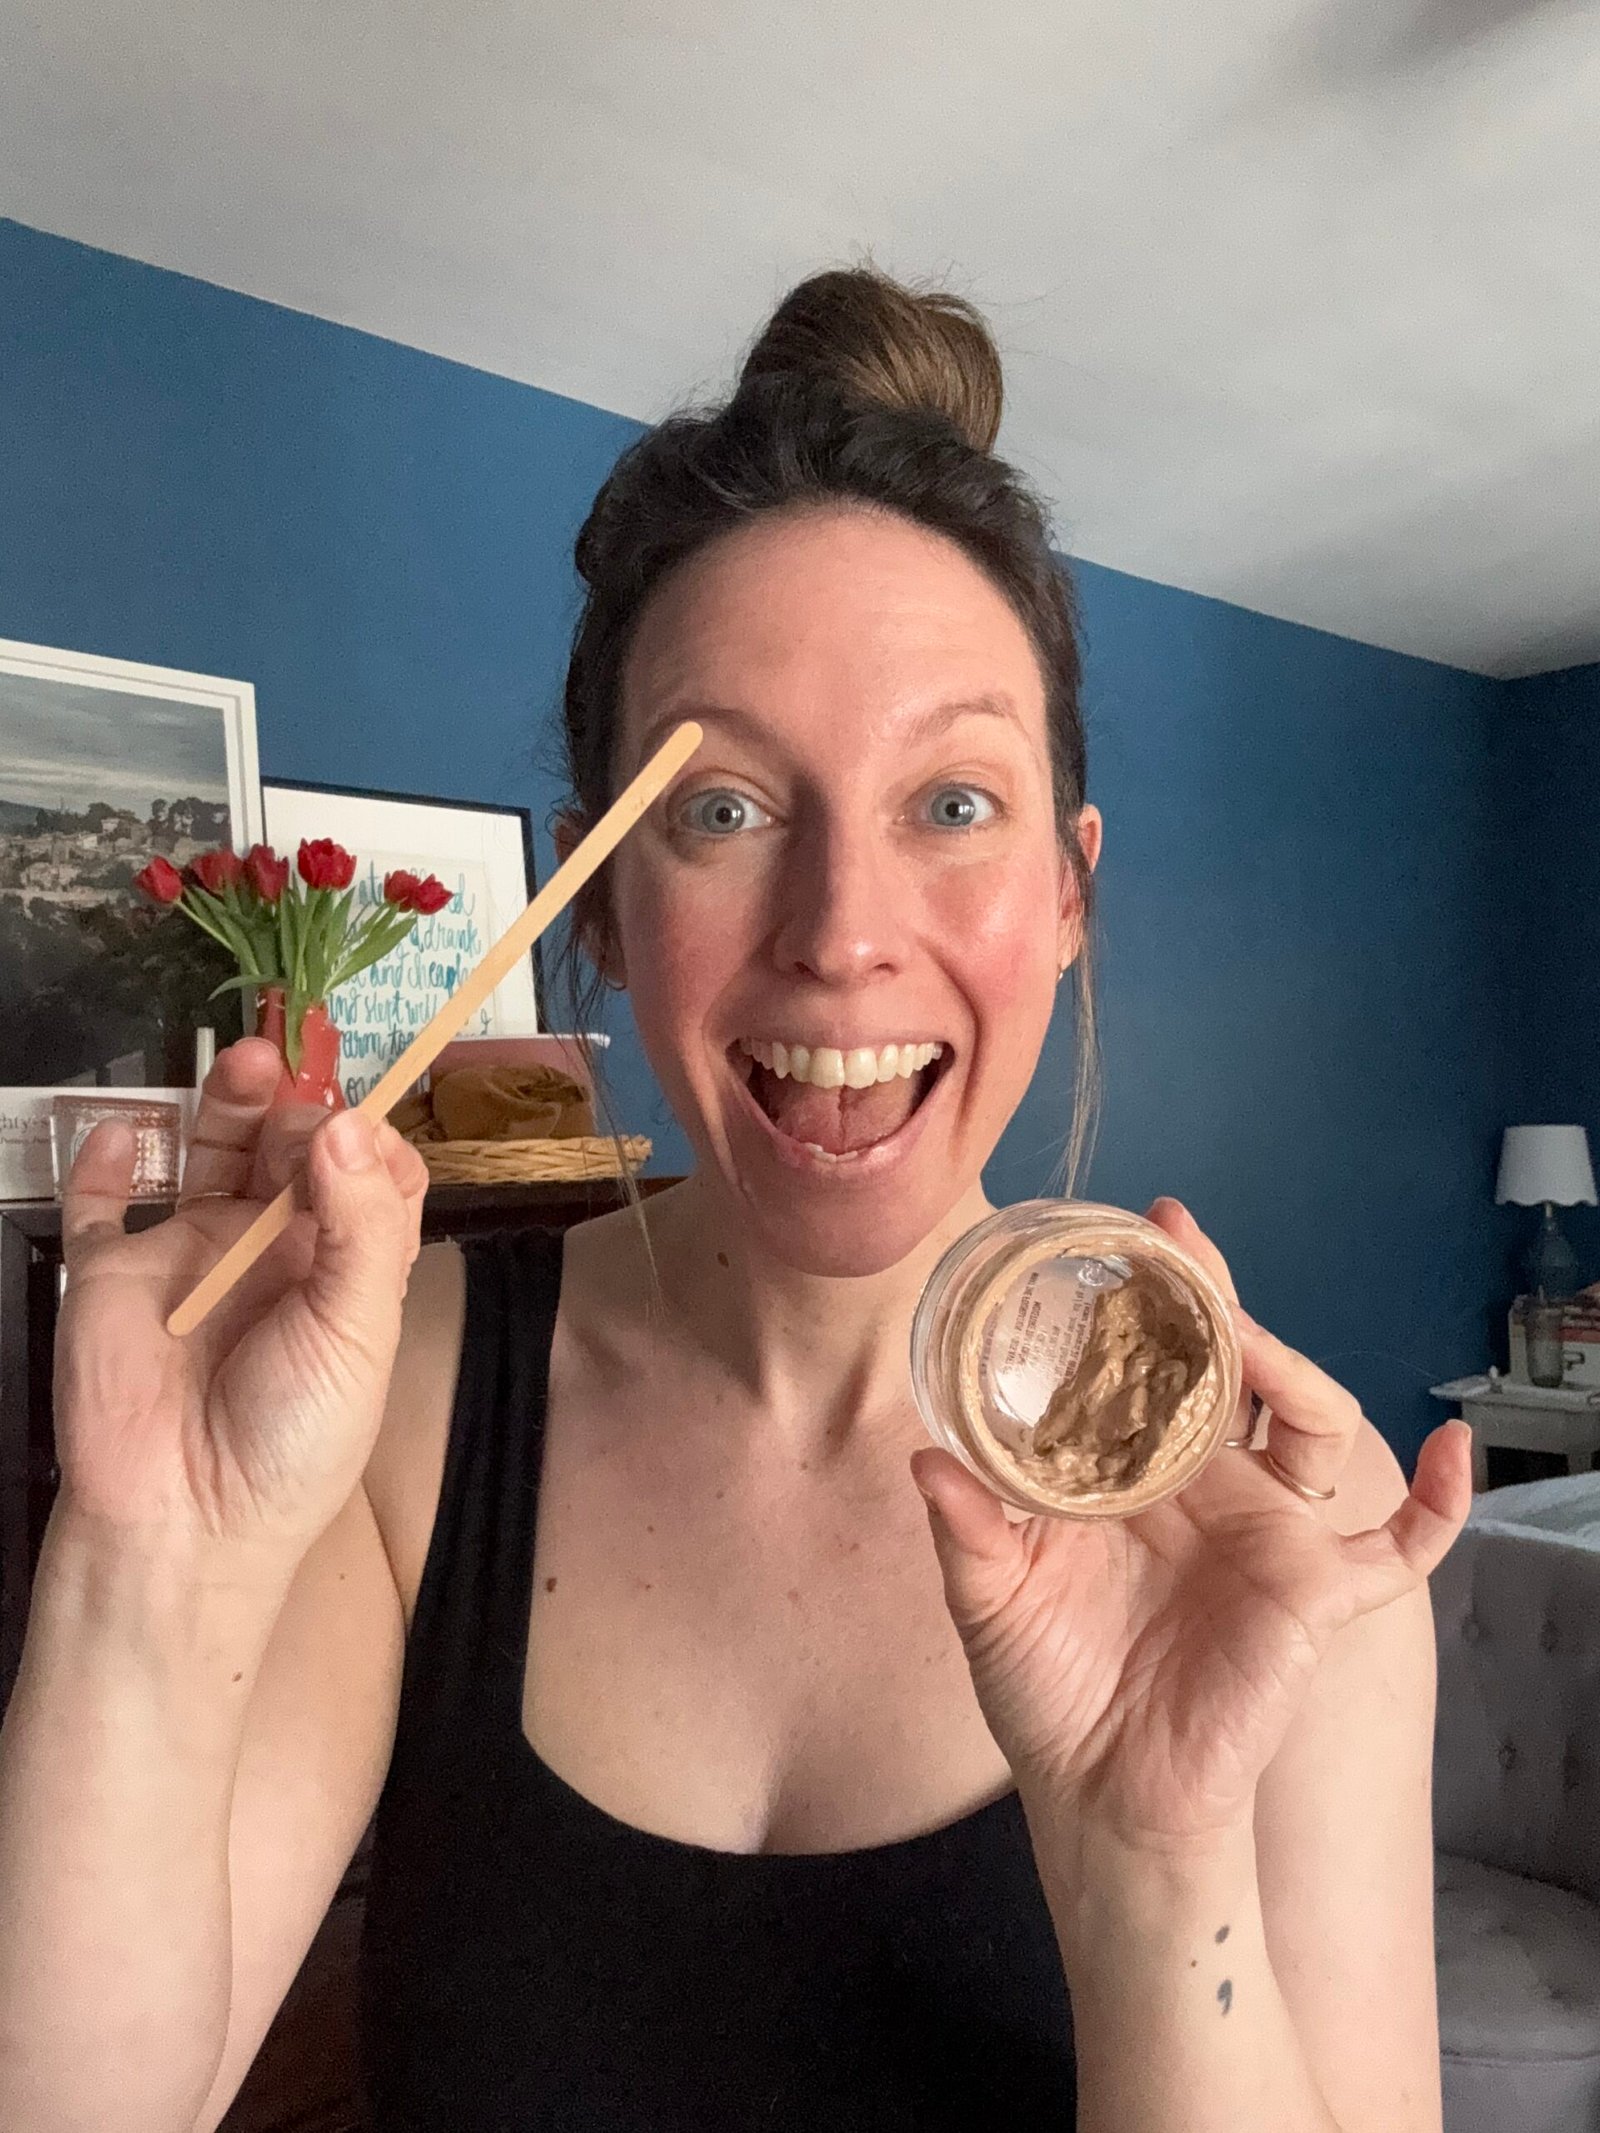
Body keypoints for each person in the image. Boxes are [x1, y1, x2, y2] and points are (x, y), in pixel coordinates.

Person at [0, 267, 1470, 2133]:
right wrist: (142, 1557)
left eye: (952, 803)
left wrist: (1155, 1868)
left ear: (1074, 889)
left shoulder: (1286, 1509)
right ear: (600, 911)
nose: (843, 934)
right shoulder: (401, 1400)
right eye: (720, 811)